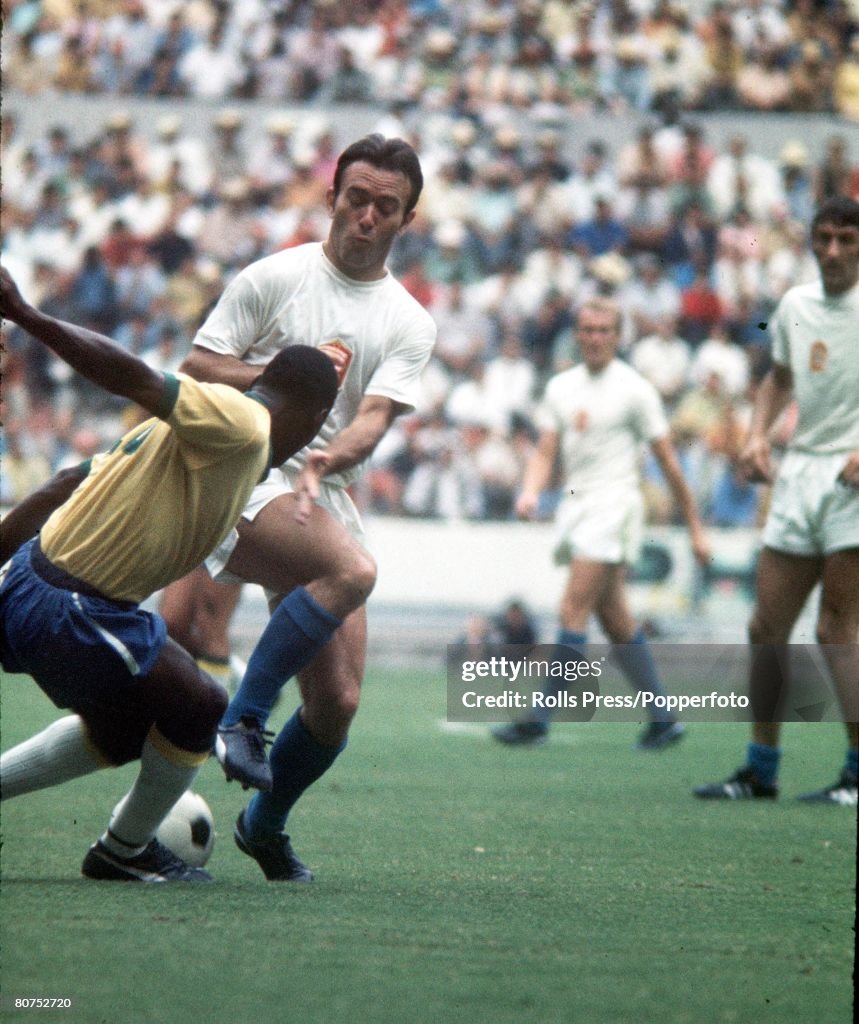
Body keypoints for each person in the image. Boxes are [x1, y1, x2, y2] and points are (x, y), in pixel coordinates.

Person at [0, 267, 338, 882]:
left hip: (29, 580)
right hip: (73, 604)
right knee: (199, 704)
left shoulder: (212, 449)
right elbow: (134, 376)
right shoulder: (242, 423)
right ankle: (122, 852)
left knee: (127, 727)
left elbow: (67, 481)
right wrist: (28, 316)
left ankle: (119, 845)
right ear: (316, 418)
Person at [178, 134, 437, 880]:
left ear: (404, 220)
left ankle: (264, 826)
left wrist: (331, 456)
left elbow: (375, 417)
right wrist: (279, 377)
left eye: (385, 207)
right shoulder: (275, 277)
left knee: (339, 703)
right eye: (355, 197)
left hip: (320, 486)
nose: (365, 215)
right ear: (331, 197)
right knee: (353, 571)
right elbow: (198, 363)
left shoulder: (407, 321)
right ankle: (243, 716)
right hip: (247, 469)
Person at [695, 197, 859, 805]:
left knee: (838, 629)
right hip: (801, 474)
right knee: (766, 625)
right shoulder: (795, 304)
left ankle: (856, 773)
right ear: (811, 241)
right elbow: (779, 379)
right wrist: (759, 436)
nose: (834, 251)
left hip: (853, 480)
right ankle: (761, 768)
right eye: (825, 238)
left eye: (847, 239)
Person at [492, 297, 710, 750]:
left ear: (618, 336)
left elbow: (669, 464)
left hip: (616, 505)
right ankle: (663, 719)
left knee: (574, 607)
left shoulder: (635, 390)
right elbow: (548, 450)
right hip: (578, 505)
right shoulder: (561, 387)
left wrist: (694, 526)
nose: (594, 338)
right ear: (577, 334)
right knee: (614, 618)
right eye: (587, 330)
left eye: (604, 331)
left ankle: (539, 718)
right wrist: (531, 490)